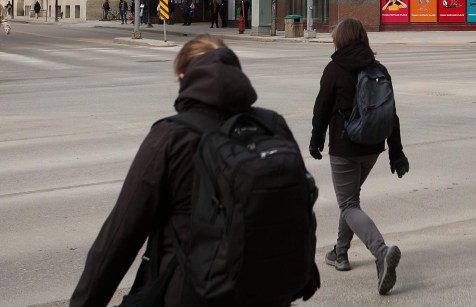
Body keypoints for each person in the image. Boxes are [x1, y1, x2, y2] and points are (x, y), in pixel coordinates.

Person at [70, 34, 318, 306]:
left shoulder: (171, 137)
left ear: (183, 76)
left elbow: (119, 237)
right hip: (265, 294)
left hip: (191, 293)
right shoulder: (272, 125)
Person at [309, 18, 408, 296]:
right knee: (351, 200)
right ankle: (340, 254)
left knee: (348, 202)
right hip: (373, 147)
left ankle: (381, 251)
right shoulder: (379, 69)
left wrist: (316, 143)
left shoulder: (334, 69)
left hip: (345, 147)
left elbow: (321, 111)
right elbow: (392, 115)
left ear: (340, 40)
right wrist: (396, 154)